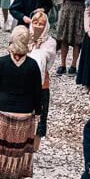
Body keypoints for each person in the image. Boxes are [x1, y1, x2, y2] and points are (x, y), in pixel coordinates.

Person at [0, 26, 42, 179]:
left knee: (3, 146)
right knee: (23, 146)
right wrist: (38, 111)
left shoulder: (0, 63)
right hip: (24, 111)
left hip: (3, 109)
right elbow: (37, 92)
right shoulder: (32, 65)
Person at [28, 9, 57, 148]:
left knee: (41, 114)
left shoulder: (50, 42)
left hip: (42, 83)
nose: (38, 25)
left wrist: (38, 48)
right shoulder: (25, 36)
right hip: (24, 81)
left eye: (41, 23)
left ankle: (35, 147)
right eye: (35, 22)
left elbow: (49, 63)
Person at [53, 0, 87, 75]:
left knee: (77, 39)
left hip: (80, 10)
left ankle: (73, 65)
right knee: (64, 38)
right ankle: (62, 64)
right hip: (66, 8)